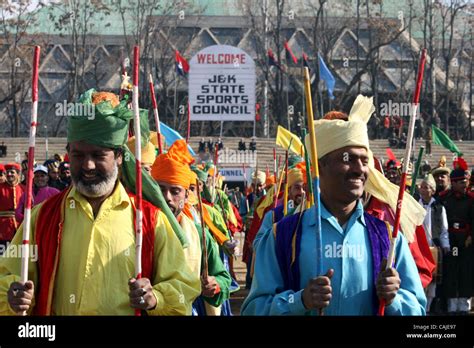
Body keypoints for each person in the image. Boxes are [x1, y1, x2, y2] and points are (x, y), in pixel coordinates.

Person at [0, 89, 200, 315]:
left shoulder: (151, 220)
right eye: (78, 155)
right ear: (68, 154)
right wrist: (14, 296)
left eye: (98, 155)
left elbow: (183, 287)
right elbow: (9, 276)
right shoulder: (42, 216)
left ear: (118, 156)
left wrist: (156, 298)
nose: (88, 165)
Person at [242, 96, 426, 315]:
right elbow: (253, 309)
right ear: (320, 167)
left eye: (364, 161)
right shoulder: (282, 235)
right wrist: (299, 301)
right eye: (348, 159)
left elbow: (418, 308)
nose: (359, 169)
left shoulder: (388, 236)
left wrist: (394, 299)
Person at [151, 140, 231, 316]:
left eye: (175, 191)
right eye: (160, 189)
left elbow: (224, 277)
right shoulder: (139, 230)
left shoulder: (199, 233)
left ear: (187, 195)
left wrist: (214, 285)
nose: (167, 198)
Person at [438, 168, 473, 315]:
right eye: (461, 182)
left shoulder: (471, 199)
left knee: (466, 271)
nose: (465, 185)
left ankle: (464, 303)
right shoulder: (444, 198)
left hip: (466, 241)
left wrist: (471, 236)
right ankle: (451, 302)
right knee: (451, 270)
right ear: (453, 183)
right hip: (451, 241)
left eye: (466, 181)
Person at [418, 174, 450, 313]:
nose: (423, 190)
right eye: (422, 187)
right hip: (418, 248)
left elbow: (444, 229)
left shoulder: (439, 207)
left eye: (426, 187)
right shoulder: (414, 204)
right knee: (418, 278)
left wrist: (446, 245)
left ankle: (428, 307)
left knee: (432, 279)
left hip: (433, 248)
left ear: (432, 190)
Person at [0, 163, 25, 248]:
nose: (9, 174)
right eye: (7, 172)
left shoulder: (24, 188)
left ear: (18, 174)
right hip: (3, 228)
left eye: (12, 172)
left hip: (20, 226)